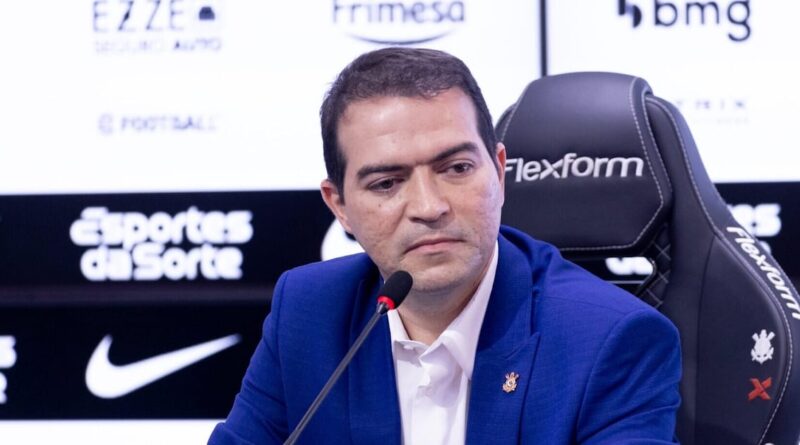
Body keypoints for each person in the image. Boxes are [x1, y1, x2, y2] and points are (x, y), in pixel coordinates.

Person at [208, 47, 681, 444]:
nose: (429, 207)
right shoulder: (308, 313)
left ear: (499, 172)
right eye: (387, 183)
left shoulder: (610, 339)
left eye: (456, 169)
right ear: (340, 206)